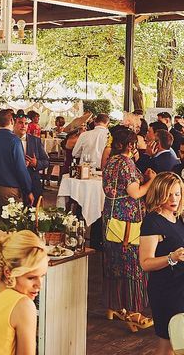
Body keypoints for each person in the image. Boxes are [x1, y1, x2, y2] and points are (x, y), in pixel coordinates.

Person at [102, 127, 155, 331]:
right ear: (130, 145)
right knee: (132, 264)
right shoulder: (126, 164)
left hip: (111, 217)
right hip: (127, 221)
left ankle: (114, 305)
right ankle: (133, 311)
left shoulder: (111, 162)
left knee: (114, 262)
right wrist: (150, 181)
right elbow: (135, 193)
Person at [140, 172, 184, 352]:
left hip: (181, 286)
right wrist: (171, 257)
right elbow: (145, 262)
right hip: (166, 290)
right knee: (167, 343)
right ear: (159, 193)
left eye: (178, 193)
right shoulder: (152, 222)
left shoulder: (178, 218)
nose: (174, 199)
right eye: (169, 194)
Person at [0, 109, 33, 226]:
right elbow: (21, 169)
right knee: (14, 225)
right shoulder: (15, 141)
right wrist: (28, 190)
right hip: (9, 189)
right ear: (12, 120)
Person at [13, 113, 49, 207]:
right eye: (20, 123)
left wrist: (36, 163)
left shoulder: (35, 141)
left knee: (32, 214)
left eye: (25, 123)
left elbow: (46, 161)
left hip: (33, 181)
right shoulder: (9, 140)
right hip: (13, 182)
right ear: (14, 124)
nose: (23, 126)